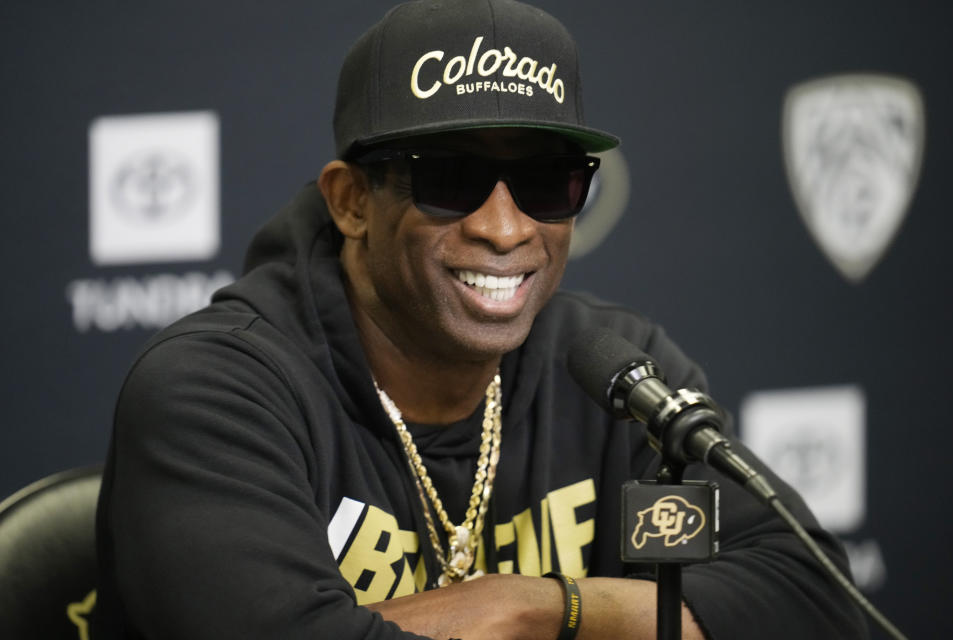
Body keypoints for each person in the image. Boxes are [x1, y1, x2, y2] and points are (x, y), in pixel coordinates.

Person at [95, 1, 868, 638]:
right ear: (352, 201)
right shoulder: (218, 394)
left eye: (545, 182)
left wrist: (534, 607)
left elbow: (810, 600)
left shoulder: (613, 375)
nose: (505, 228)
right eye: (453, 179)